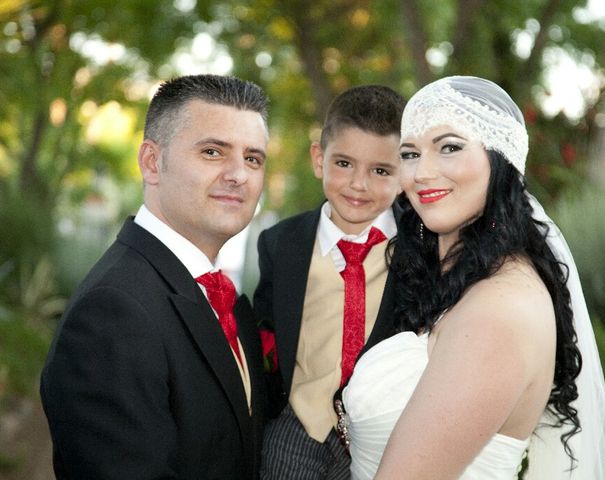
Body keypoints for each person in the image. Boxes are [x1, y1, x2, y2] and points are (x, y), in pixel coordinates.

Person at [342, 76, 605, 479]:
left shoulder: (498, 310)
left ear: (501, 160)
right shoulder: (464, 279)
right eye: (410, 154)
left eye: (450, 147)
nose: (421, 173)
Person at [41, 74, 270, 479]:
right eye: (213, 152)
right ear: (151, 162)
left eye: (253, 158)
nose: (239, 174)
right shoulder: (112, 313)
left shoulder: (226, 299)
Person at [253, 85, 406, 479]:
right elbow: (265, 331)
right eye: (344, 164)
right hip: (299, 425)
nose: (359, 184)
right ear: (319, 159)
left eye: (381, 171)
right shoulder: (280, 244)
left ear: (404, 173)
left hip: (387, 435)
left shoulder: (422, 247)